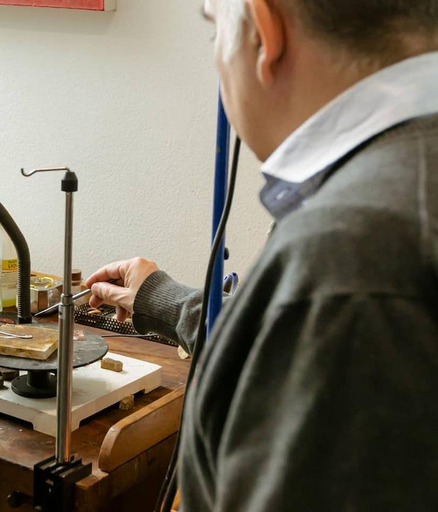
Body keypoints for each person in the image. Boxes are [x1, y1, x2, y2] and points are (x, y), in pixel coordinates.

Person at [86, 0, 438, 510]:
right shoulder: (391, 194)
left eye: (215, 32)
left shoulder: (347, 258)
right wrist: (162, 299)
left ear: (263, 31)